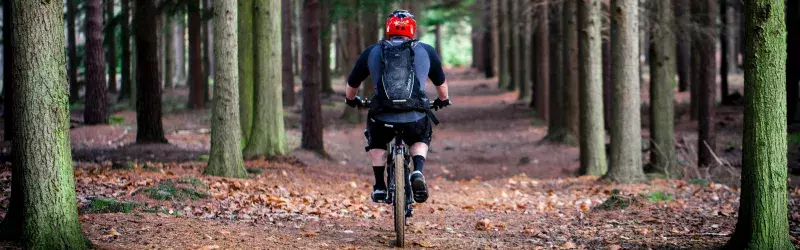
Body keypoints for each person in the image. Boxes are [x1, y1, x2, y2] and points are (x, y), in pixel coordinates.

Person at [344, 10, 451, 204]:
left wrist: (351, 100)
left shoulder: (373, 51)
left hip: (382, 117)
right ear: (412, 30)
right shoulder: (426, 50)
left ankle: (379, 186)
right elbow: (441, 86)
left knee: (376, 138)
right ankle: (417, 170)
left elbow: (352, 84)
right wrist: (442, 100)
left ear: (388, 29)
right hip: (415, 117)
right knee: (421, 135)